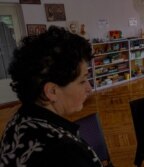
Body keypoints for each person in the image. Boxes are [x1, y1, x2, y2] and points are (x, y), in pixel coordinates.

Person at [0, 26, 103, 167]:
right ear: (52, 91)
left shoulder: (18, 121)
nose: (89, 89)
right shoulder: (67, 153)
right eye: (82, 81)